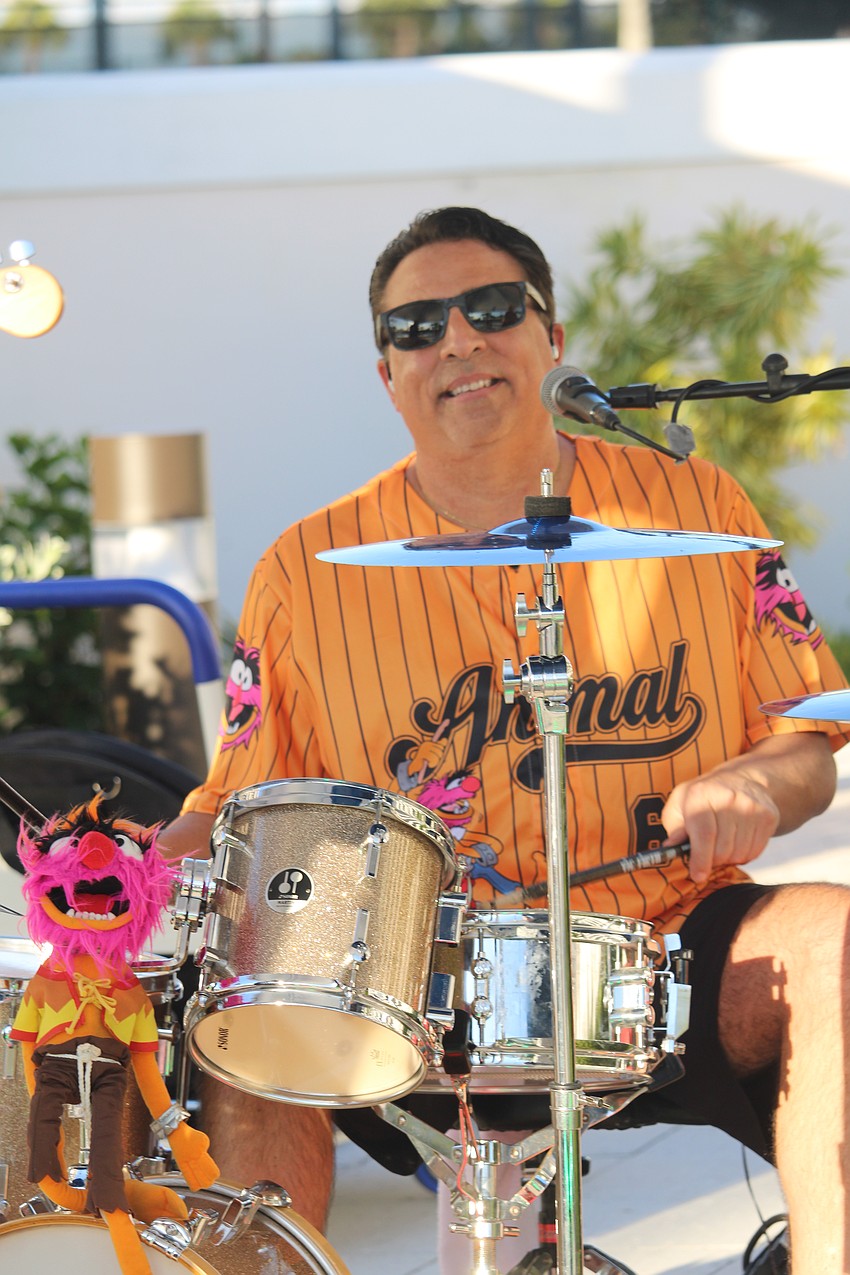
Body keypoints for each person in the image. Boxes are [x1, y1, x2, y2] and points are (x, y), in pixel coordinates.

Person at [161, 206, 850, 1273]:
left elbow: (806, 740)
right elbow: (238, 799)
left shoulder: (696, 507)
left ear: (551, 337)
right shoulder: (303, 569)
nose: (458, 341)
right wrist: (120, 884)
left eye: (490, 310)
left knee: (830, 944)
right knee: (250, 1004)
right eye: (416, 326)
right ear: (386, 373)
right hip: (406, 973)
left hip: (655, 948)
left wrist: (757, 786)